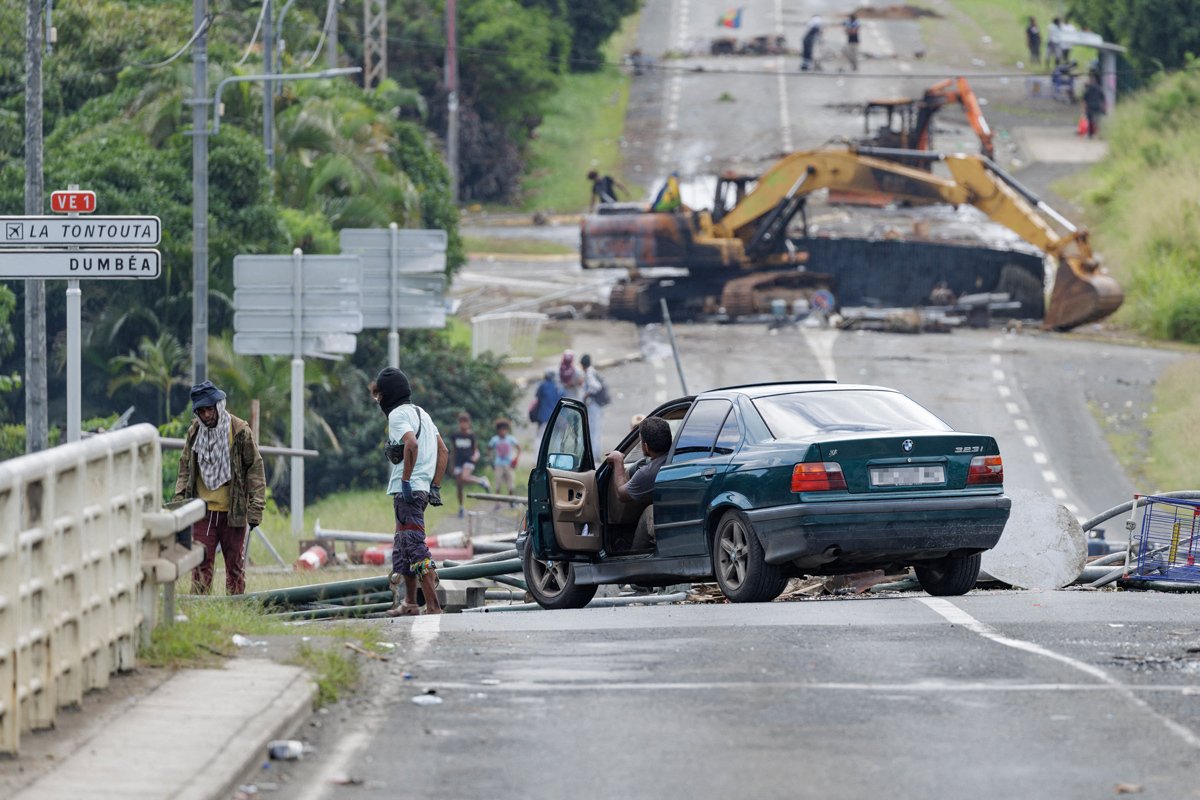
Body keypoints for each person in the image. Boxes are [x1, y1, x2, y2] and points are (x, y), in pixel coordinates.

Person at [173, 380, 265, 596]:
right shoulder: (195, 433)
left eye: (209, 409)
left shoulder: (240, 431)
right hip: (202, 511)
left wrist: (256, 507)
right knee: (201, 566)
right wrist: (178, 504)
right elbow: (185, 467)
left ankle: (237, 608)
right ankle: (200, 611)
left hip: (233, 511)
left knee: (234, 566)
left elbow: (255, 468)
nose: (206, 415)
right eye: (201, 411)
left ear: (218, 405)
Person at [373, 367, 449, 616]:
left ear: (387, 395)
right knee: (402, 546)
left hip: (409, 492)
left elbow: (411, 443)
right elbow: (443, 451)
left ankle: (433, 606)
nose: (378, 400)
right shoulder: (422, 413)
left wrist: (406, 480)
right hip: (420, 490)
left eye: (379, 395)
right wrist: (434, 485)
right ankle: (411, 603)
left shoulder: (396, 416)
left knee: (415, 547)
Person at [604, 416, 672, 551]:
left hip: (669, 516)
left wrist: (618, 460)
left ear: (645, 446)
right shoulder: (676, 456)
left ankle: (635, 554)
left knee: (649, 512)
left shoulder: (649, 472)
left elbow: (622, 494)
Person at [450, 411, 490, 518]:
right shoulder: (455, 435)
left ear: (469, 423)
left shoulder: (471, 435)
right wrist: (452, 464)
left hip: (468, 460)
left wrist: (476, 456)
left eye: (465, 422)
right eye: (461, 422)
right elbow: (453, 451)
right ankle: (461, 507)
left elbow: (475, 449)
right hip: (458, 462)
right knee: (459, 485)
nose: (463, 425)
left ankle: (482, 481)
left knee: (465, 477)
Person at [580, 353, 605, 460]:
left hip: (594, 405)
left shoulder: (589, 373)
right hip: (596, 405)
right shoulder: (592, 371)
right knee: (595, 430)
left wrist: (587, 394)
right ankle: (595, 453)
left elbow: (596, 386)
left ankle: (594, 455)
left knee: (594, 430)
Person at [488, 419, 522, 497]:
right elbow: (489, 449)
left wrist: (516, 459)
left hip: (509, 464)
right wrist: (491, 460)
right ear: (498, 430)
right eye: (501, 429)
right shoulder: (495, 439)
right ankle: (497, 501)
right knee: (498, 483)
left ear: (507, 430)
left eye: (504, 429)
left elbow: (519, 448)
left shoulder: (510, 438)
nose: (502, 431)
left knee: (510, 482)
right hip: (498, 463)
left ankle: (511, 500)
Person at [533, 368, 564, 442]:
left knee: (541, 437)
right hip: (556, 416)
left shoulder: (542, 386)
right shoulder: (558, 387)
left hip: (543, 416)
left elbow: (538, 396)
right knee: (555, 438)